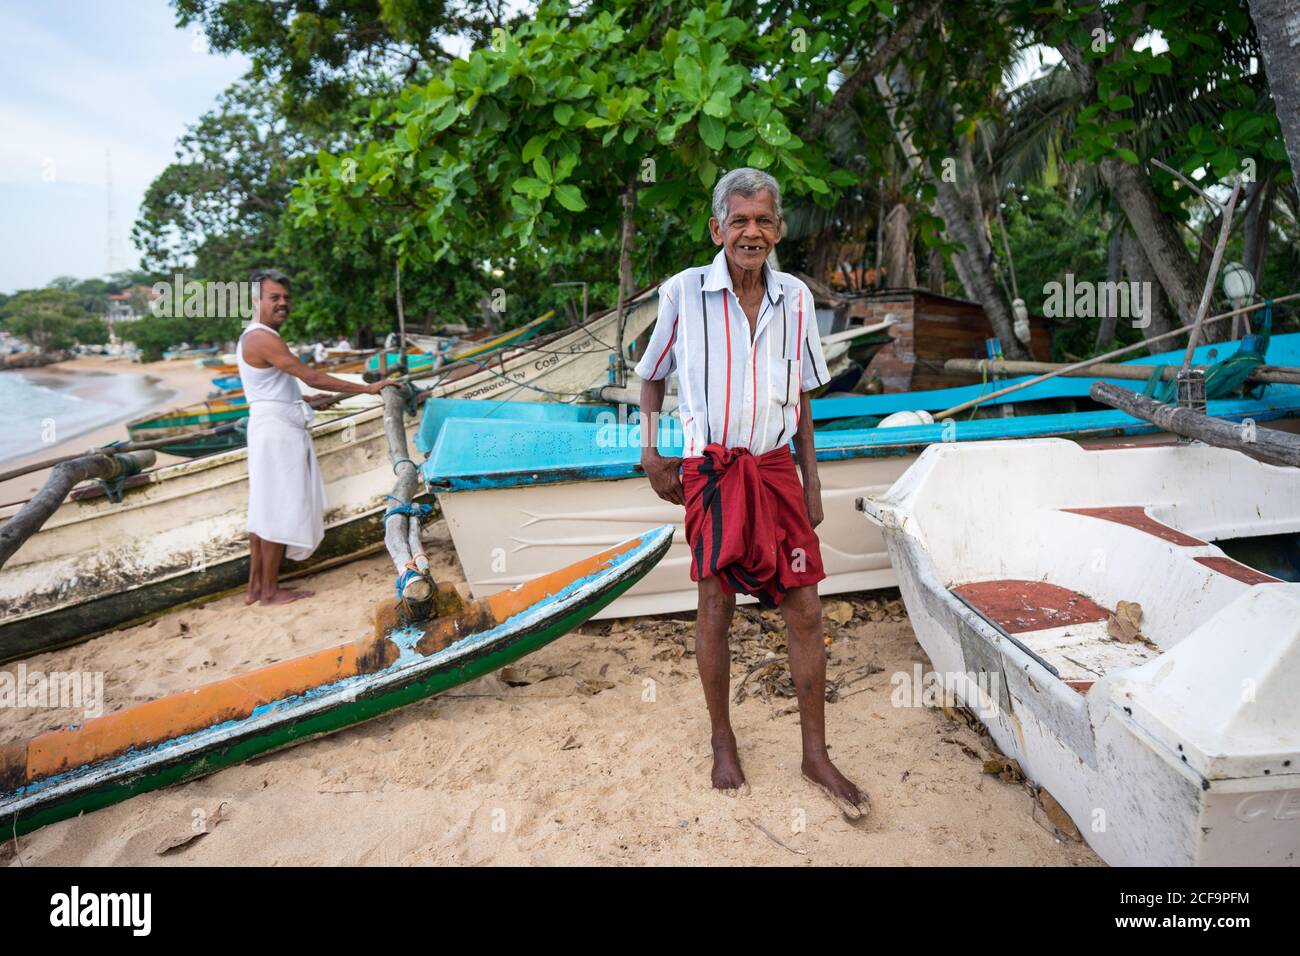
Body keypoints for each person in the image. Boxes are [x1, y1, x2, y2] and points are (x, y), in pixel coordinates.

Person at [635, 169, 868, 819]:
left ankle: (814, 753)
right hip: (711, 471)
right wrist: (651, 453)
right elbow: (651, 377)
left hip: (774, 469)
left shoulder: (795, 298)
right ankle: (722, 740)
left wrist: (811, 479)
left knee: (806, 609)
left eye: (763, 220)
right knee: (715, 605)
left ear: (779, 230)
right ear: (717, 229)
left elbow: (800, 395)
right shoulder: (684, 292)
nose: (751, 231)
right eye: (739, 220)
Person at [237, 269, 397, 606]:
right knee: (277, 508)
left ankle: (255, 589)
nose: (283, 303)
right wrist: (368, 388)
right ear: (256, 301)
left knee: (264, 508)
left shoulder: (253, 336)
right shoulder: (261, 337)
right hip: (277, 432)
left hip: (271, 424)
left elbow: (276, 387)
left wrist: (308, 400)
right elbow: (309, 375)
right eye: (274, 298)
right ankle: (269, 592)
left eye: (286, 298)